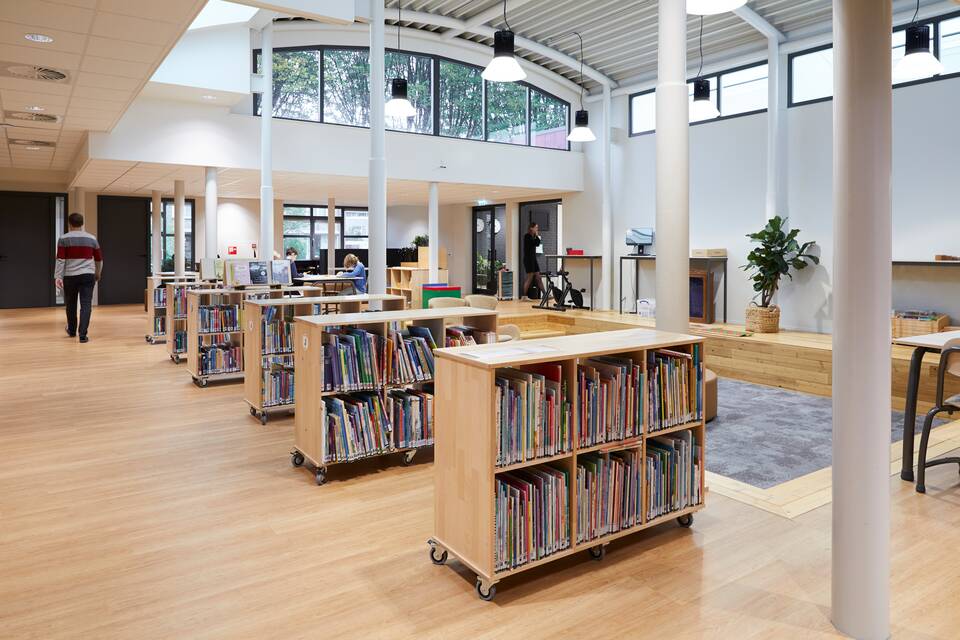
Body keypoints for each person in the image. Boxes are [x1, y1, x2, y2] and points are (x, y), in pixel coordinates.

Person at [55, 213, 103, 343]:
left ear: (69, 224)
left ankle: (71, 330)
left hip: (70, 276)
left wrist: (58, 276)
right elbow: (99, 259)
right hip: (88, 275)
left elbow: (61, 259)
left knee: (70, 304)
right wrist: (98, 273)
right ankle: (83, 335)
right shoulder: (92, 239)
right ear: (82, 224)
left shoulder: (63, 239)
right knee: (86, 304)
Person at [522, 222, 545, 301]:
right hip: (528, 260)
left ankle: (545, 294)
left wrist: (536, 234)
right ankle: (524, 296)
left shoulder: (533, 236)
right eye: (536, 227)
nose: (537, 229)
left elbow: (538, 243)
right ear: (531, 228)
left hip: (533, 259)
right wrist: (535, 236)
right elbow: (533, 243)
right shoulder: (527, 236)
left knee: (538, 277)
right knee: (530, 277)